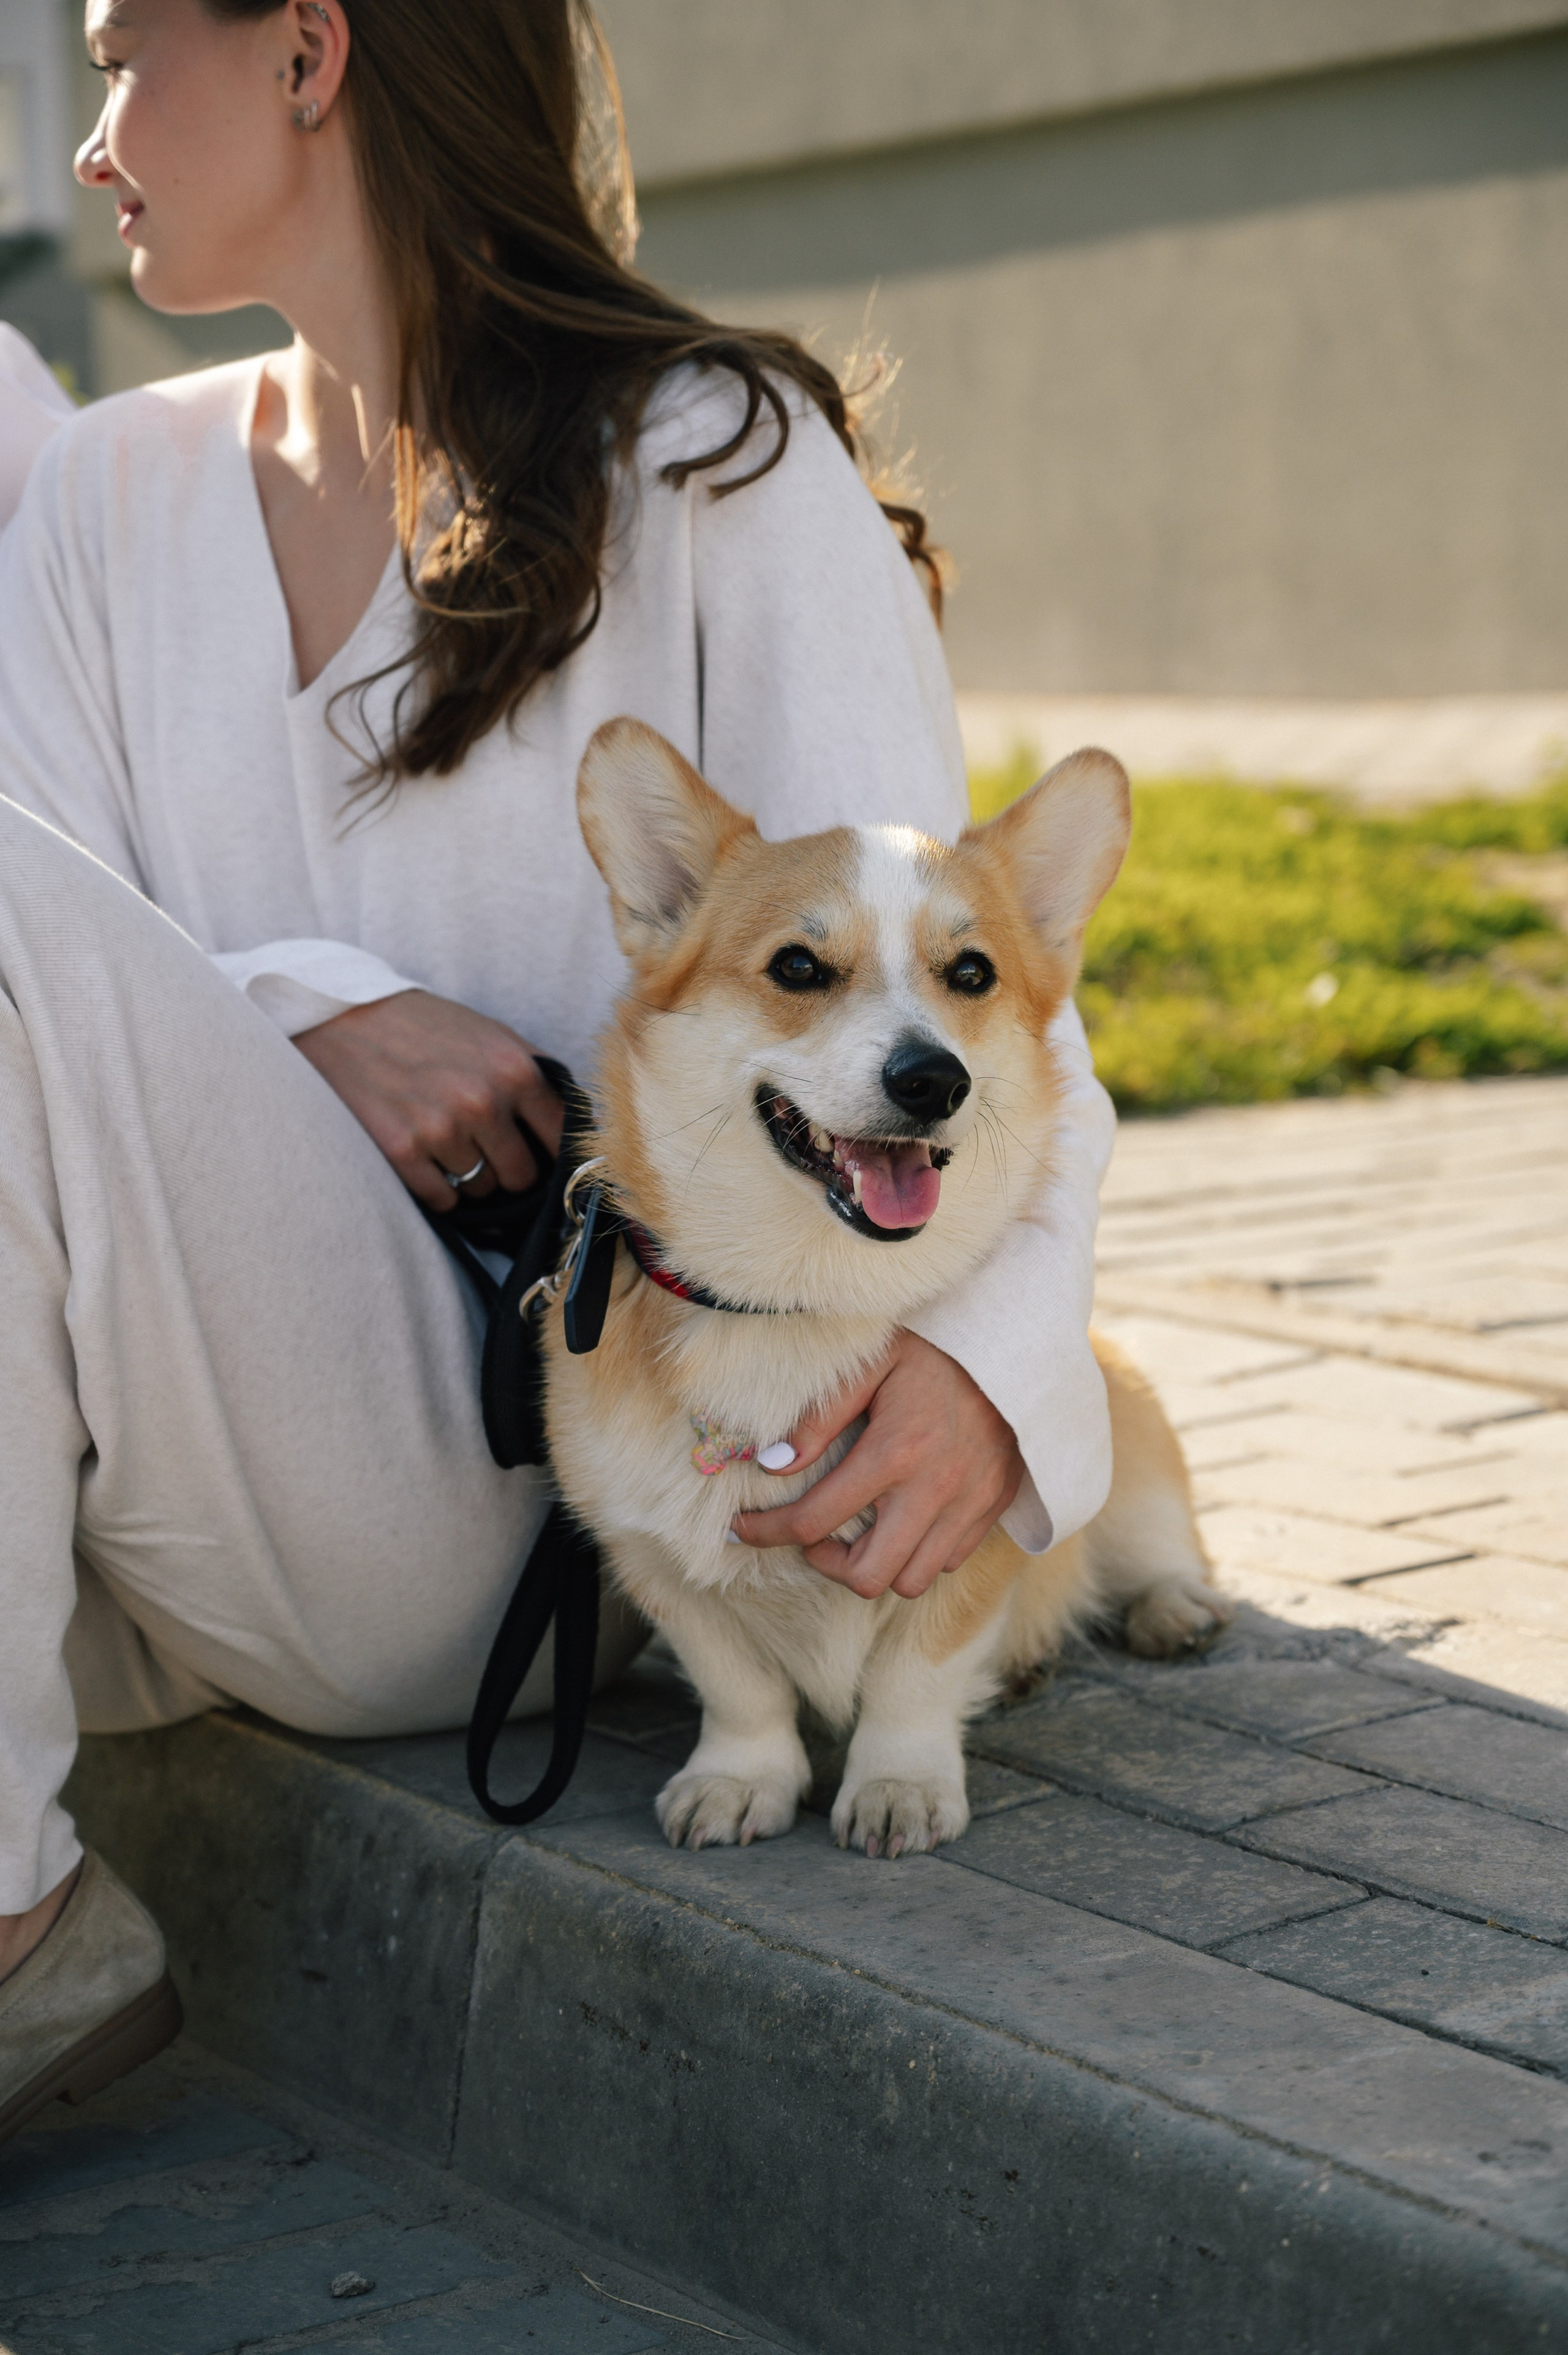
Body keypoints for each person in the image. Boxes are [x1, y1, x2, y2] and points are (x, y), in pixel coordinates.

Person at [0, 0, 1115, 2136]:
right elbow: (70, 994)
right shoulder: (107, 498)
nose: (89, 138)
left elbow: (970, 1002)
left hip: (571, 1490)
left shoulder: (715, 459)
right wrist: (302, 1002)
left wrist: (991, 1378)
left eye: (126, 52)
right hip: (152, 1484)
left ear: (311, 51)